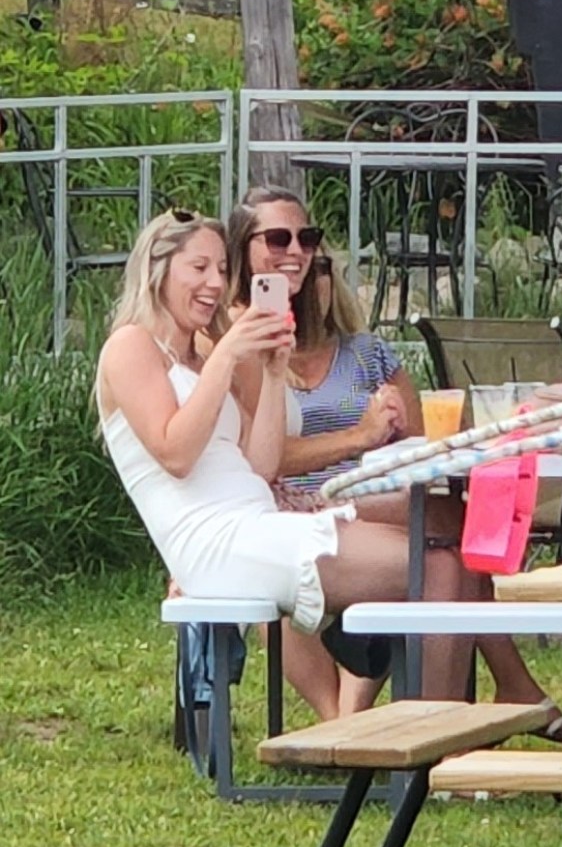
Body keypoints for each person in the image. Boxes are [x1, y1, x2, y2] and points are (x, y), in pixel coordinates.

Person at [221, 186, 562, 742]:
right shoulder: (239, 339)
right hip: (298, 506)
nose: (296, 253)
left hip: (359, 496)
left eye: (308, 241)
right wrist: (361, 436)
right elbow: (263, 459)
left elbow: (418, 442)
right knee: (449, 541)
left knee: (451, 525)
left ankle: (441, 720)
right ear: (242, 252)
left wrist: (390, 433)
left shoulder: (355, 348)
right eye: (277, 239)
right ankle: (462, 713)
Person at [97, 210, 475, 703]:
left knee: (449, 550)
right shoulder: (131, 346)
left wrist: (273, 376)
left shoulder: (202, 357)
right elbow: (175, 453)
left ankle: (433, 734)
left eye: (221, 270)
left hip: (257, 520)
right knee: (438, 567)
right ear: (158, 269)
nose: (214, 283)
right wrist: (229, 356)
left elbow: (259, 464)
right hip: (215, 543)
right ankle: (429, 741)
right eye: (199, 268)